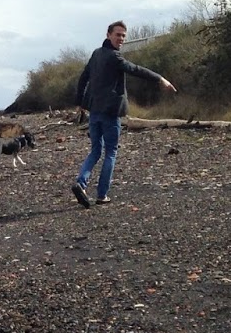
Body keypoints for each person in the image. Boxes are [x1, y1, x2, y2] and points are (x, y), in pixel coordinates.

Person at [71, 21, 176, 207]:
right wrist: (160, 79)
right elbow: (135, 69)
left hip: (94, 110)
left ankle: (81, 182)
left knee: (95, 150)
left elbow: (84, 78)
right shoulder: (114, 57)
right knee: (110, 152)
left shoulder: (96, 54)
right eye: (118, 35)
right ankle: (101, 195)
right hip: (109, 113)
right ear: (108, 34)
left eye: (123, 36)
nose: (121, 39)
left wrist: (80, 103)